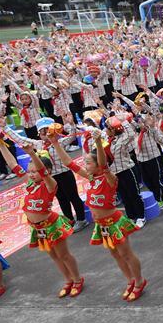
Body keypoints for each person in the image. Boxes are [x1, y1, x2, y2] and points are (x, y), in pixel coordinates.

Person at [52, 128, 147, 302]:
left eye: (88, 162)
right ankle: (130, 281)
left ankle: (140, 281)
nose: (85, 165)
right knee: (116, 255)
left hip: (115, 223)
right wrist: (55, 143)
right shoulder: (91, 179)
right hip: (102, 226)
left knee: (126, 254)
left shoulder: (109, 178)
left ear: (98, 165)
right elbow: (68, 163)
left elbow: (103, 164)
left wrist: (97, 142)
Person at [0, 134, 81, 298]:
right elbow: (13, 164)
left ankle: (77, 280)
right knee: (54, 256)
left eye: (34, 172)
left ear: (47, 172)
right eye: (29, 172)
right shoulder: (30, 184)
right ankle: (68, 280)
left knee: (63, 255)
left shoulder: (50, 184)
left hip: (51, 225)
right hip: (38, 228)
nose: (31, 175)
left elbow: (43, 172)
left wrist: (32, 154)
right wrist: (0, 144)